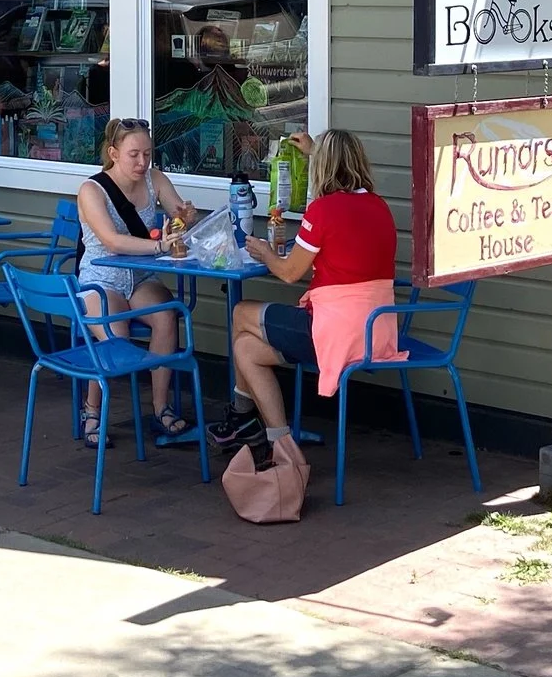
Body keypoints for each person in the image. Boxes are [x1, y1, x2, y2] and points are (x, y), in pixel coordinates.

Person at [207, 129, 403, 451]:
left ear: (322, 167)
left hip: (334, 334)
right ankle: (276, 439)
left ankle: (244, 420)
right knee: (246, 349)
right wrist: (317, 151)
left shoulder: (323, 211)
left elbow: (288, 273)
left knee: (241, 312)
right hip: (376, 332)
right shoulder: (379, 207)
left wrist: (264, 251)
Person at [71, 120, 194, 448]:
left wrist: (184, 217)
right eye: (134, 155)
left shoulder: (154, 179)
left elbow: (177, 216)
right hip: (100, 279)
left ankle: (160, 407)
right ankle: (92, 410)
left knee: (167, 316)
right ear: (114, 154)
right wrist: (158, 246)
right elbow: (111, 241)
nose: (143, 162)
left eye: (148, 154)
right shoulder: (91, 189)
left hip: (141, 277)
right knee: (117, 335)